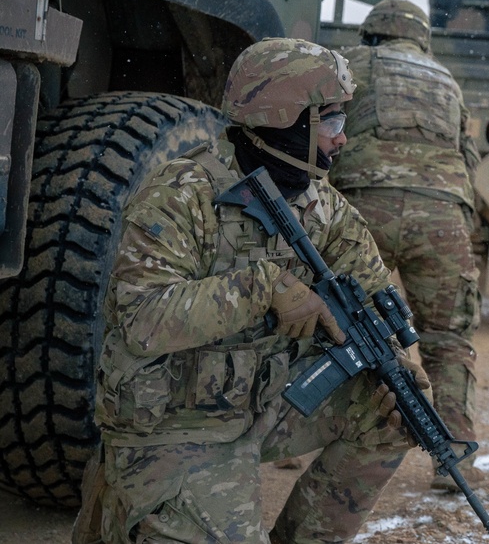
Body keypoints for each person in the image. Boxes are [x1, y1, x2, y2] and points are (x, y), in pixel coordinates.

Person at [83, 38, 425, 543]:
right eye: (330, 122)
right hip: (178, 419)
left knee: (393, 414)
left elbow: (372, 286)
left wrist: (404, 361)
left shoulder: (320, 202)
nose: (343, 139)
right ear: (287, 118)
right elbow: (142, 317)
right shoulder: (183, 192)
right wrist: (264, 288)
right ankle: (127, 492)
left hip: (263, 401)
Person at [329, 0, 484, 491]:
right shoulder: (446, 79)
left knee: (334, 322)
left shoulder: (351, 62)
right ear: (421, 38)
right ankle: (456, 458)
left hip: (362, 203)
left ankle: (304, 440)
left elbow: (319, 129)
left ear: (372, 33)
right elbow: (469, 156)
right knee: (448, 336)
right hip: (441, 213)